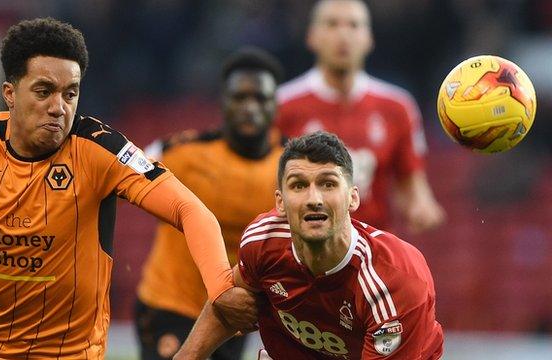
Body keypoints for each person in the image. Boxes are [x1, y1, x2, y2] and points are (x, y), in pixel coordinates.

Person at [0, 18, 255, 359]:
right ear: (10, 94)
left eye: (70, 93)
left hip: (67, 355)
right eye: (44, 91)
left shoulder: (100, 148)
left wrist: (221, 288)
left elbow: (189, 209)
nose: (59, 107)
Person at [174, 132, 444, 359]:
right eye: (299, 185)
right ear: (280, 202)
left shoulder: (394, 284)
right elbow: (227, 308)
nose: (314, 199)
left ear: (353, 198)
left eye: (328, 184)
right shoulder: (262, 242)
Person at [135, 47, 285, 360]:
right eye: (240, 98)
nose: (249, 108)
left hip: (234, 313)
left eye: (260, 98)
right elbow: (112, 179)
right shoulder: (180, 153)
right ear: (223, 102)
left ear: (275, 105)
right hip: (170, 303)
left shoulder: (290, 168)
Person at [276, 0, 445, 233]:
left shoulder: (397, 107)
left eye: (354, 25)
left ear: (369, 39)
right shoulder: (282, 105)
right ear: (312, 37)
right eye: (332, 24)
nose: (343, 34)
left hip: (370, 252)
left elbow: (412, 185)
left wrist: (422, 207)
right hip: (301, 253)